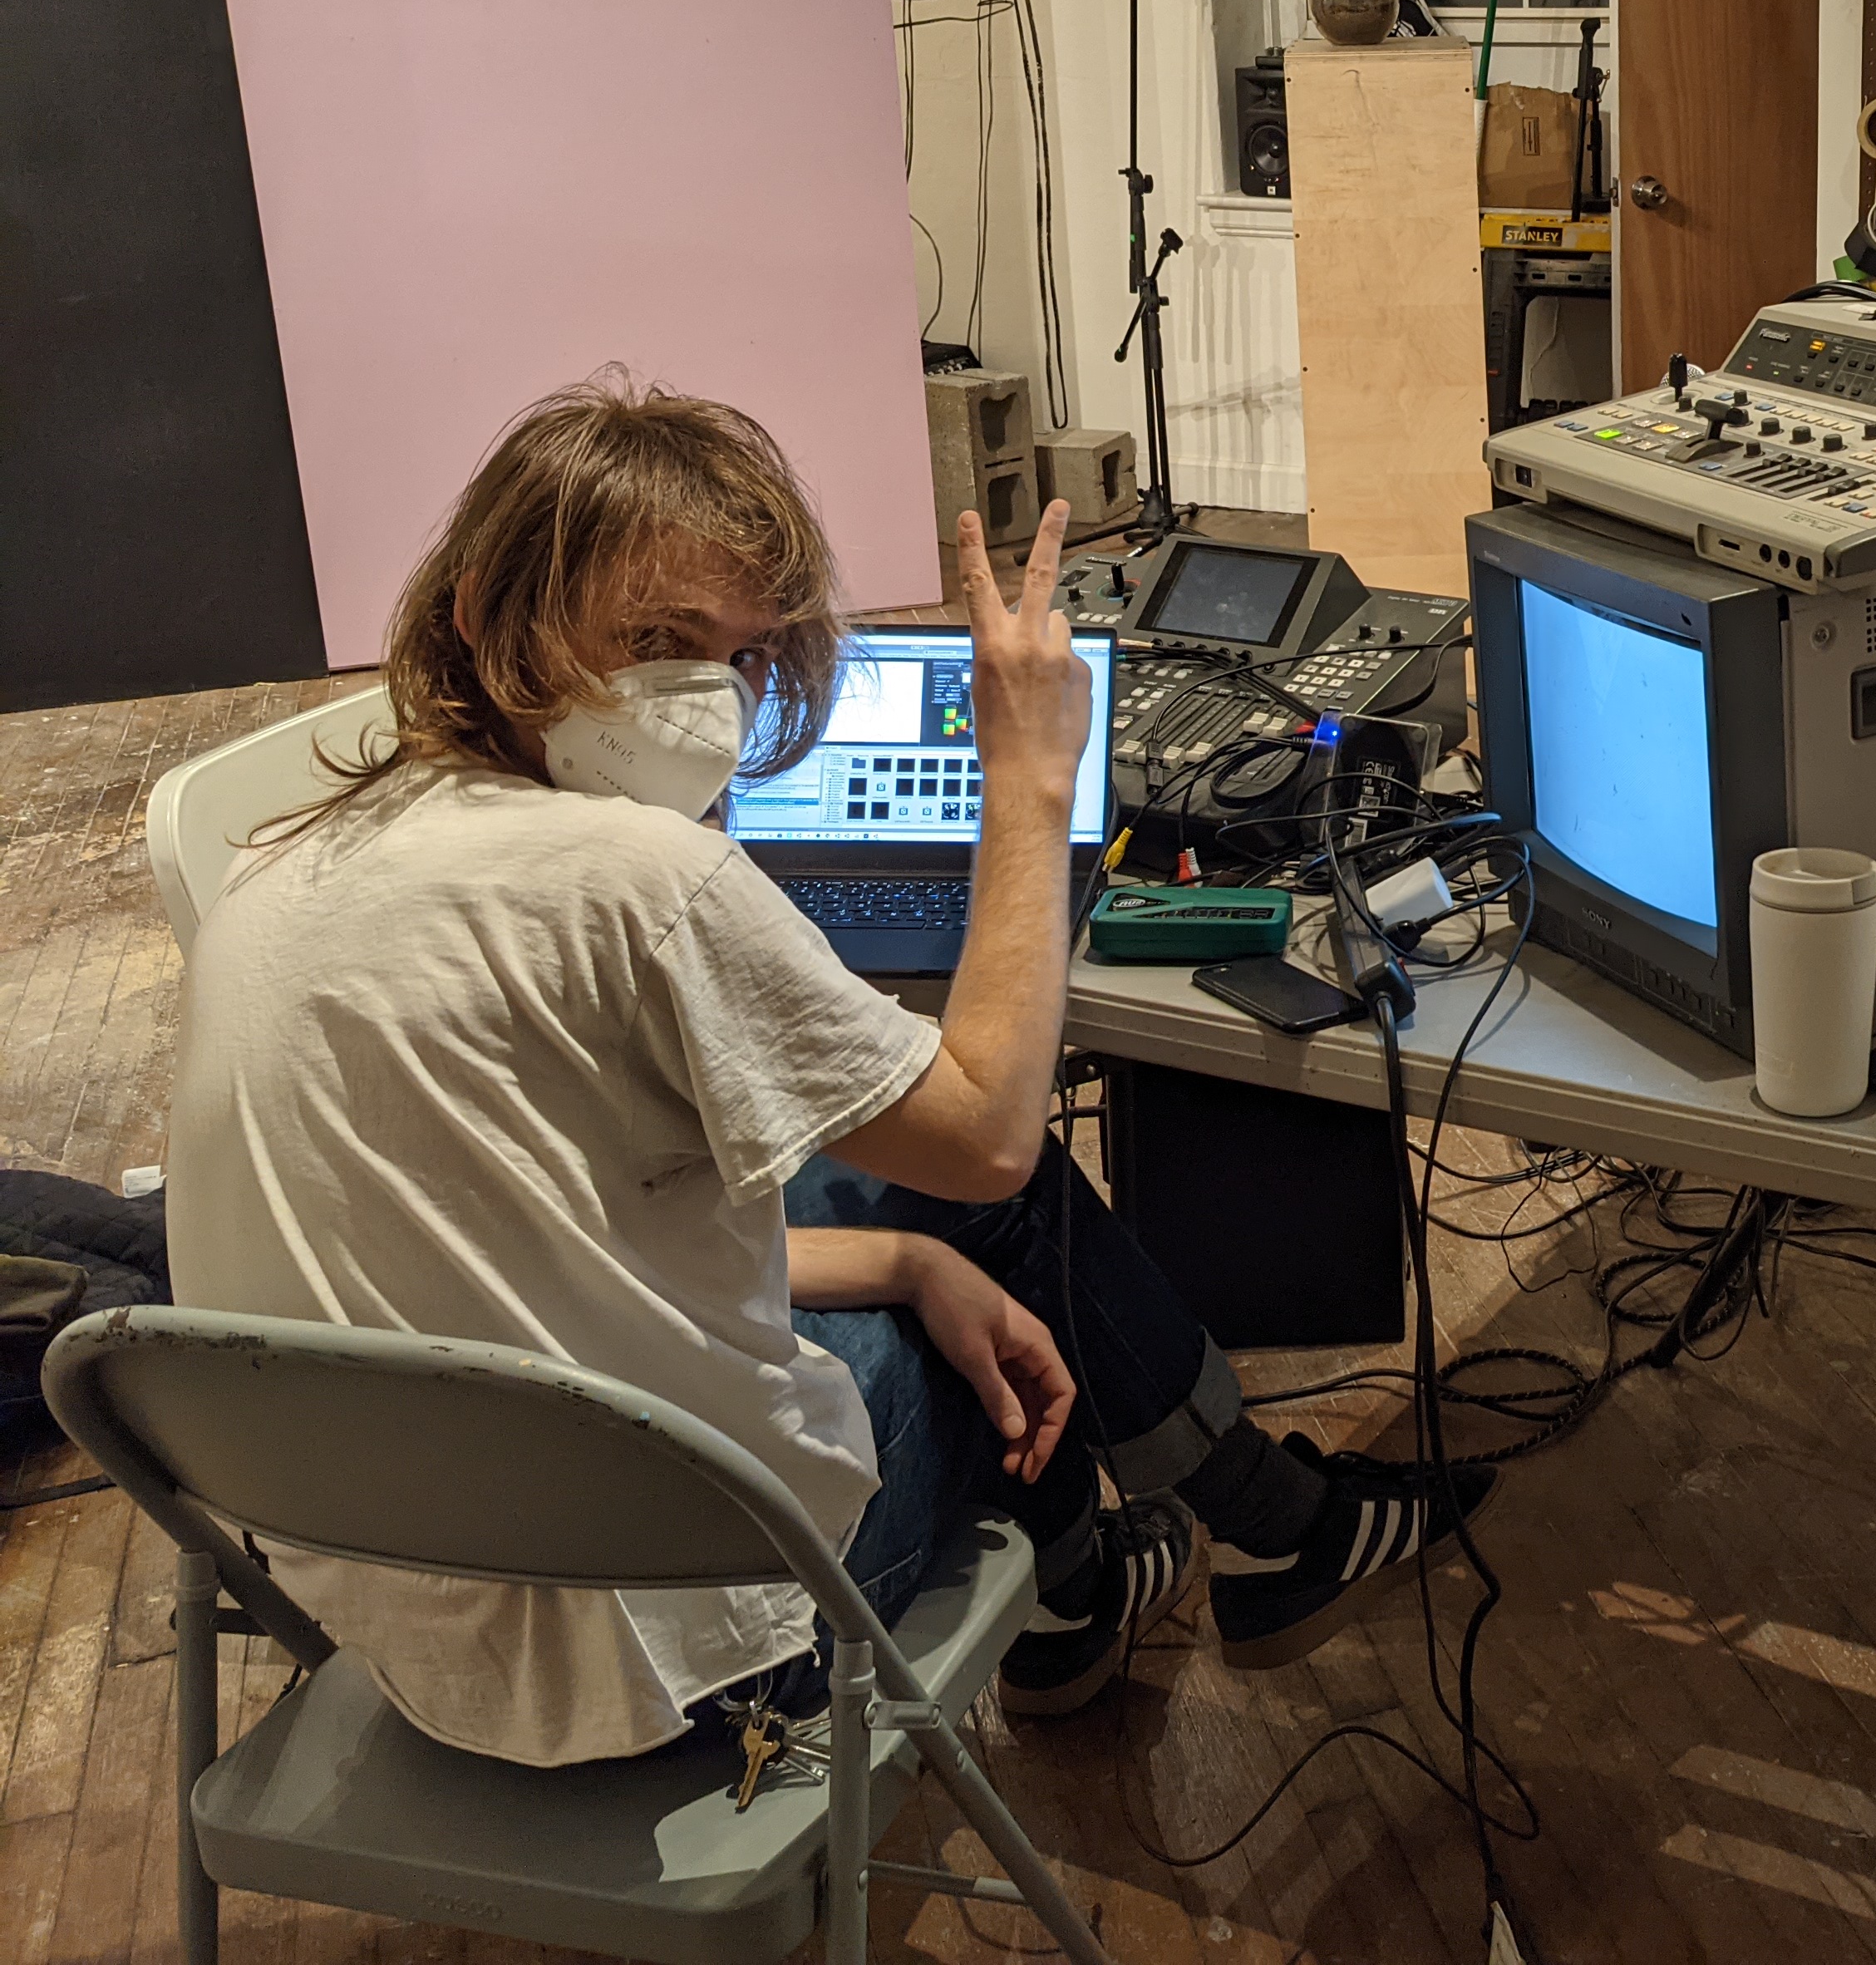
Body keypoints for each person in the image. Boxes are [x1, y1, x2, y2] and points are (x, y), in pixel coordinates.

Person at [165, 379, 1486, 1766]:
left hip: (407, 1629)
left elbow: (549, 1252)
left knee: (925, 1232)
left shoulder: (287, 859)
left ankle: (1107, 1586)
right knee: (991, 1215)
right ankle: (1165, 1561)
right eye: (655, 641)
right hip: (687, 1658)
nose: (703, 701)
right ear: (495, 607)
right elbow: (989, 1139)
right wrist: (1031, 778)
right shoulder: (639, 878)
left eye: (738, 658)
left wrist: (909, 1263)